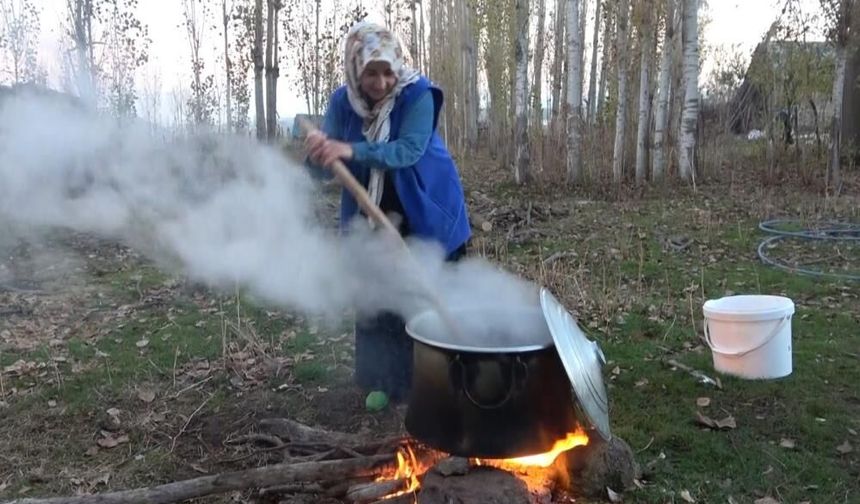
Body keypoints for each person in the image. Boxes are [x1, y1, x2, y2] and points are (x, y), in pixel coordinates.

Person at [305, 22, 471, 405]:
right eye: (370, 73)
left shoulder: (419, 96)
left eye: (387, 72)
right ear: (355, 70)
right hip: (370, 212)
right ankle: (385, 381)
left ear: (398, 68)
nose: (380, 82)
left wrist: (350, 150)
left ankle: (441, 382)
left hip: (426, 206)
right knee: (378, 292)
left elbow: (407, 151)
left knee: (425, 293)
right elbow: (324, 164)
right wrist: (318, 155)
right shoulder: (342, 103)